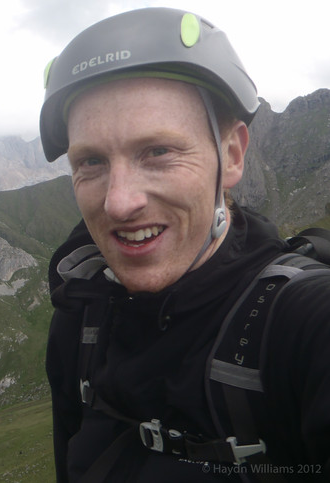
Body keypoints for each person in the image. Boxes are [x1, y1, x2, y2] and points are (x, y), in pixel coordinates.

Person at [40, 7, 330, 482]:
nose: (118, 202)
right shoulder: (79, 320)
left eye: (158, 151)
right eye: (90, 161)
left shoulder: (306, 322)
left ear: (231, 156)